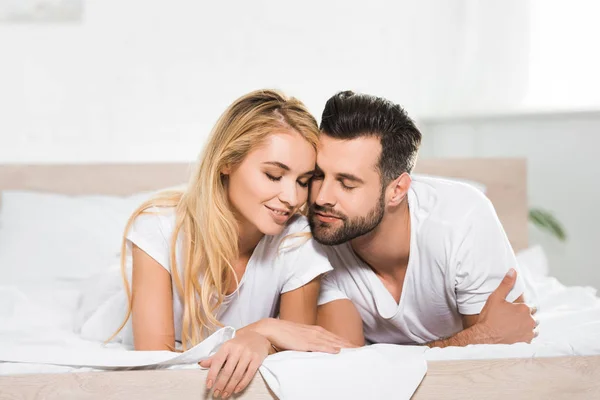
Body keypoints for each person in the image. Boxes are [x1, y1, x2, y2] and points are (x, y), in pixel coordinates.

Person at [109, 89, 354, 399]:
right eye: (273, 175)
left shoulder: (298, 242)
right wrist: (260, 330)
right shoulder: (159, 227)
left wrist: (263, 334)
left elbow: (296, 353)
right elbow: (156, 366)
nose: (292, 198)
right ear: (227, 162)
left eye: (303, 181)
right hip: (113, 305)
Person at [312, 91, 538, 347]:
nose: (321, 197)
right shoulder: (317, 235)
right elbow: (351, 367)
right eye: (318, 175)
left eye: (347, 184)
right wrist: (475, 338)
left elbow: (498, 357)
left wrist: (482, 339)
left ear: (397, 190)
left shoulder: (462, 219)